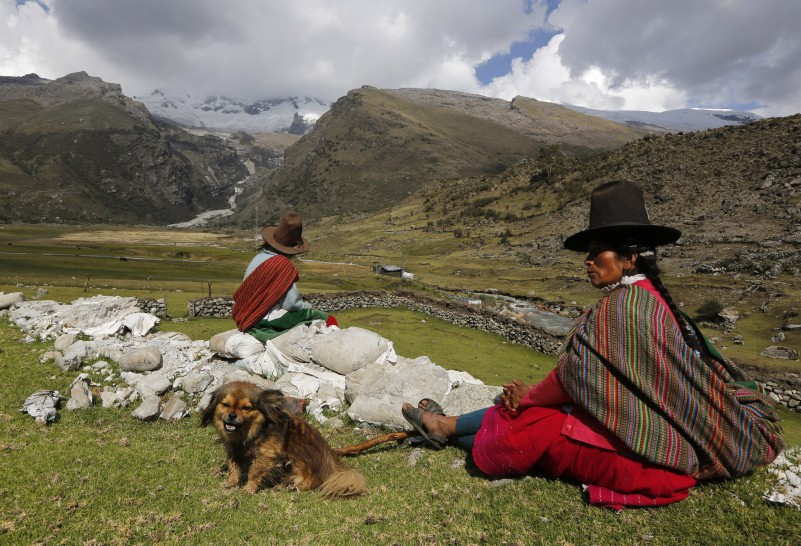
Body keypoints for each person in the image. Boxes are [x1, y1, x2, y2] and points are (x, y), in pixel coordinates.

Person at [402, 180, 784, 510]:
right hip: (672, 428)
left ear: (629, 256)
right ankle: (446, 427)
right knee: (530, 412)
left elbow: (577, 377)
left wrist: (531, 396)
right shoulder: (649, 299)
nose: (586, 261)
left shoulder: (623, 308)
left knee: (531, 418)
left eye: (596, 251)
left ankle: (446, 428)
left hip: (667, 445)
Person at [232, 212, 336, 342]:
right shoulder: (282, 265)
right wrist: (308, 307)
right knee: (327, 319)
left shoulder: (258, 258)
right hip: (263, 318)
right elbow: (291, 304)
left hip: (244, 315)